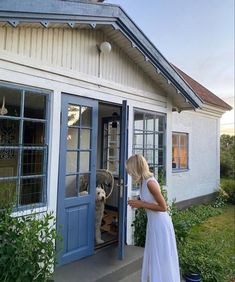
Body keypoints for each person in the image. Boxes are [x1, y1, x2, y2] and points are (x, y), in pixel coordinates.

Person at [126, 154, 180, 282]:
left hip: (161, 223)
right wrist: (138, 202)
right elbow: (149, 201)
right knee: (155, 253)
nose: (129, 173)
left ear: (136, 168)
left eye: (130, 170)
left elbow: (163, 207)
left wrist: (141, 204)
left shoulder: (150, 183)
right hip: (153, 223)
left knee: (162, 255)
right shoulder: (143, 182)